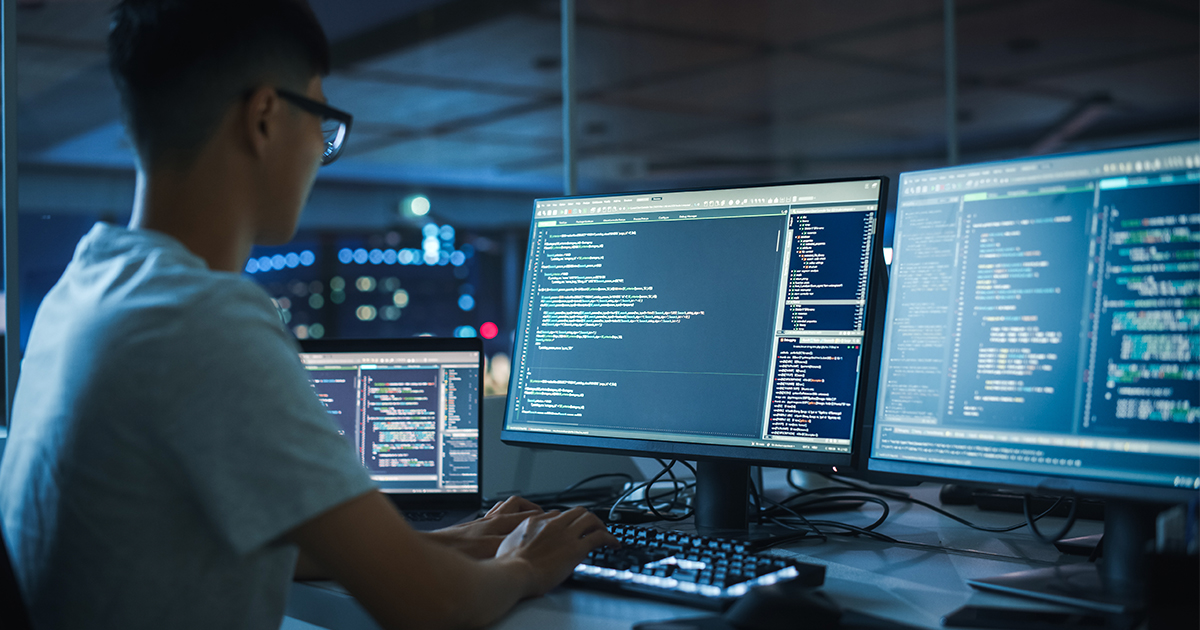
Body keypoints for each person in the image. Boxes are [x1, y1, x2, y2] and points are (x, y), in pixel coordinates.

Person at [0, 1, 617, 628]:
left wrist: (456, 543)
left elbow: (268, 541)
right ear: (265, 117)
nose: (322, 154)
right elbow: (436, 607)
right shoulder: (202, 319)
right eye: (321, 120)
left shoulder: (87, 288)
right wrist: (525, 566)